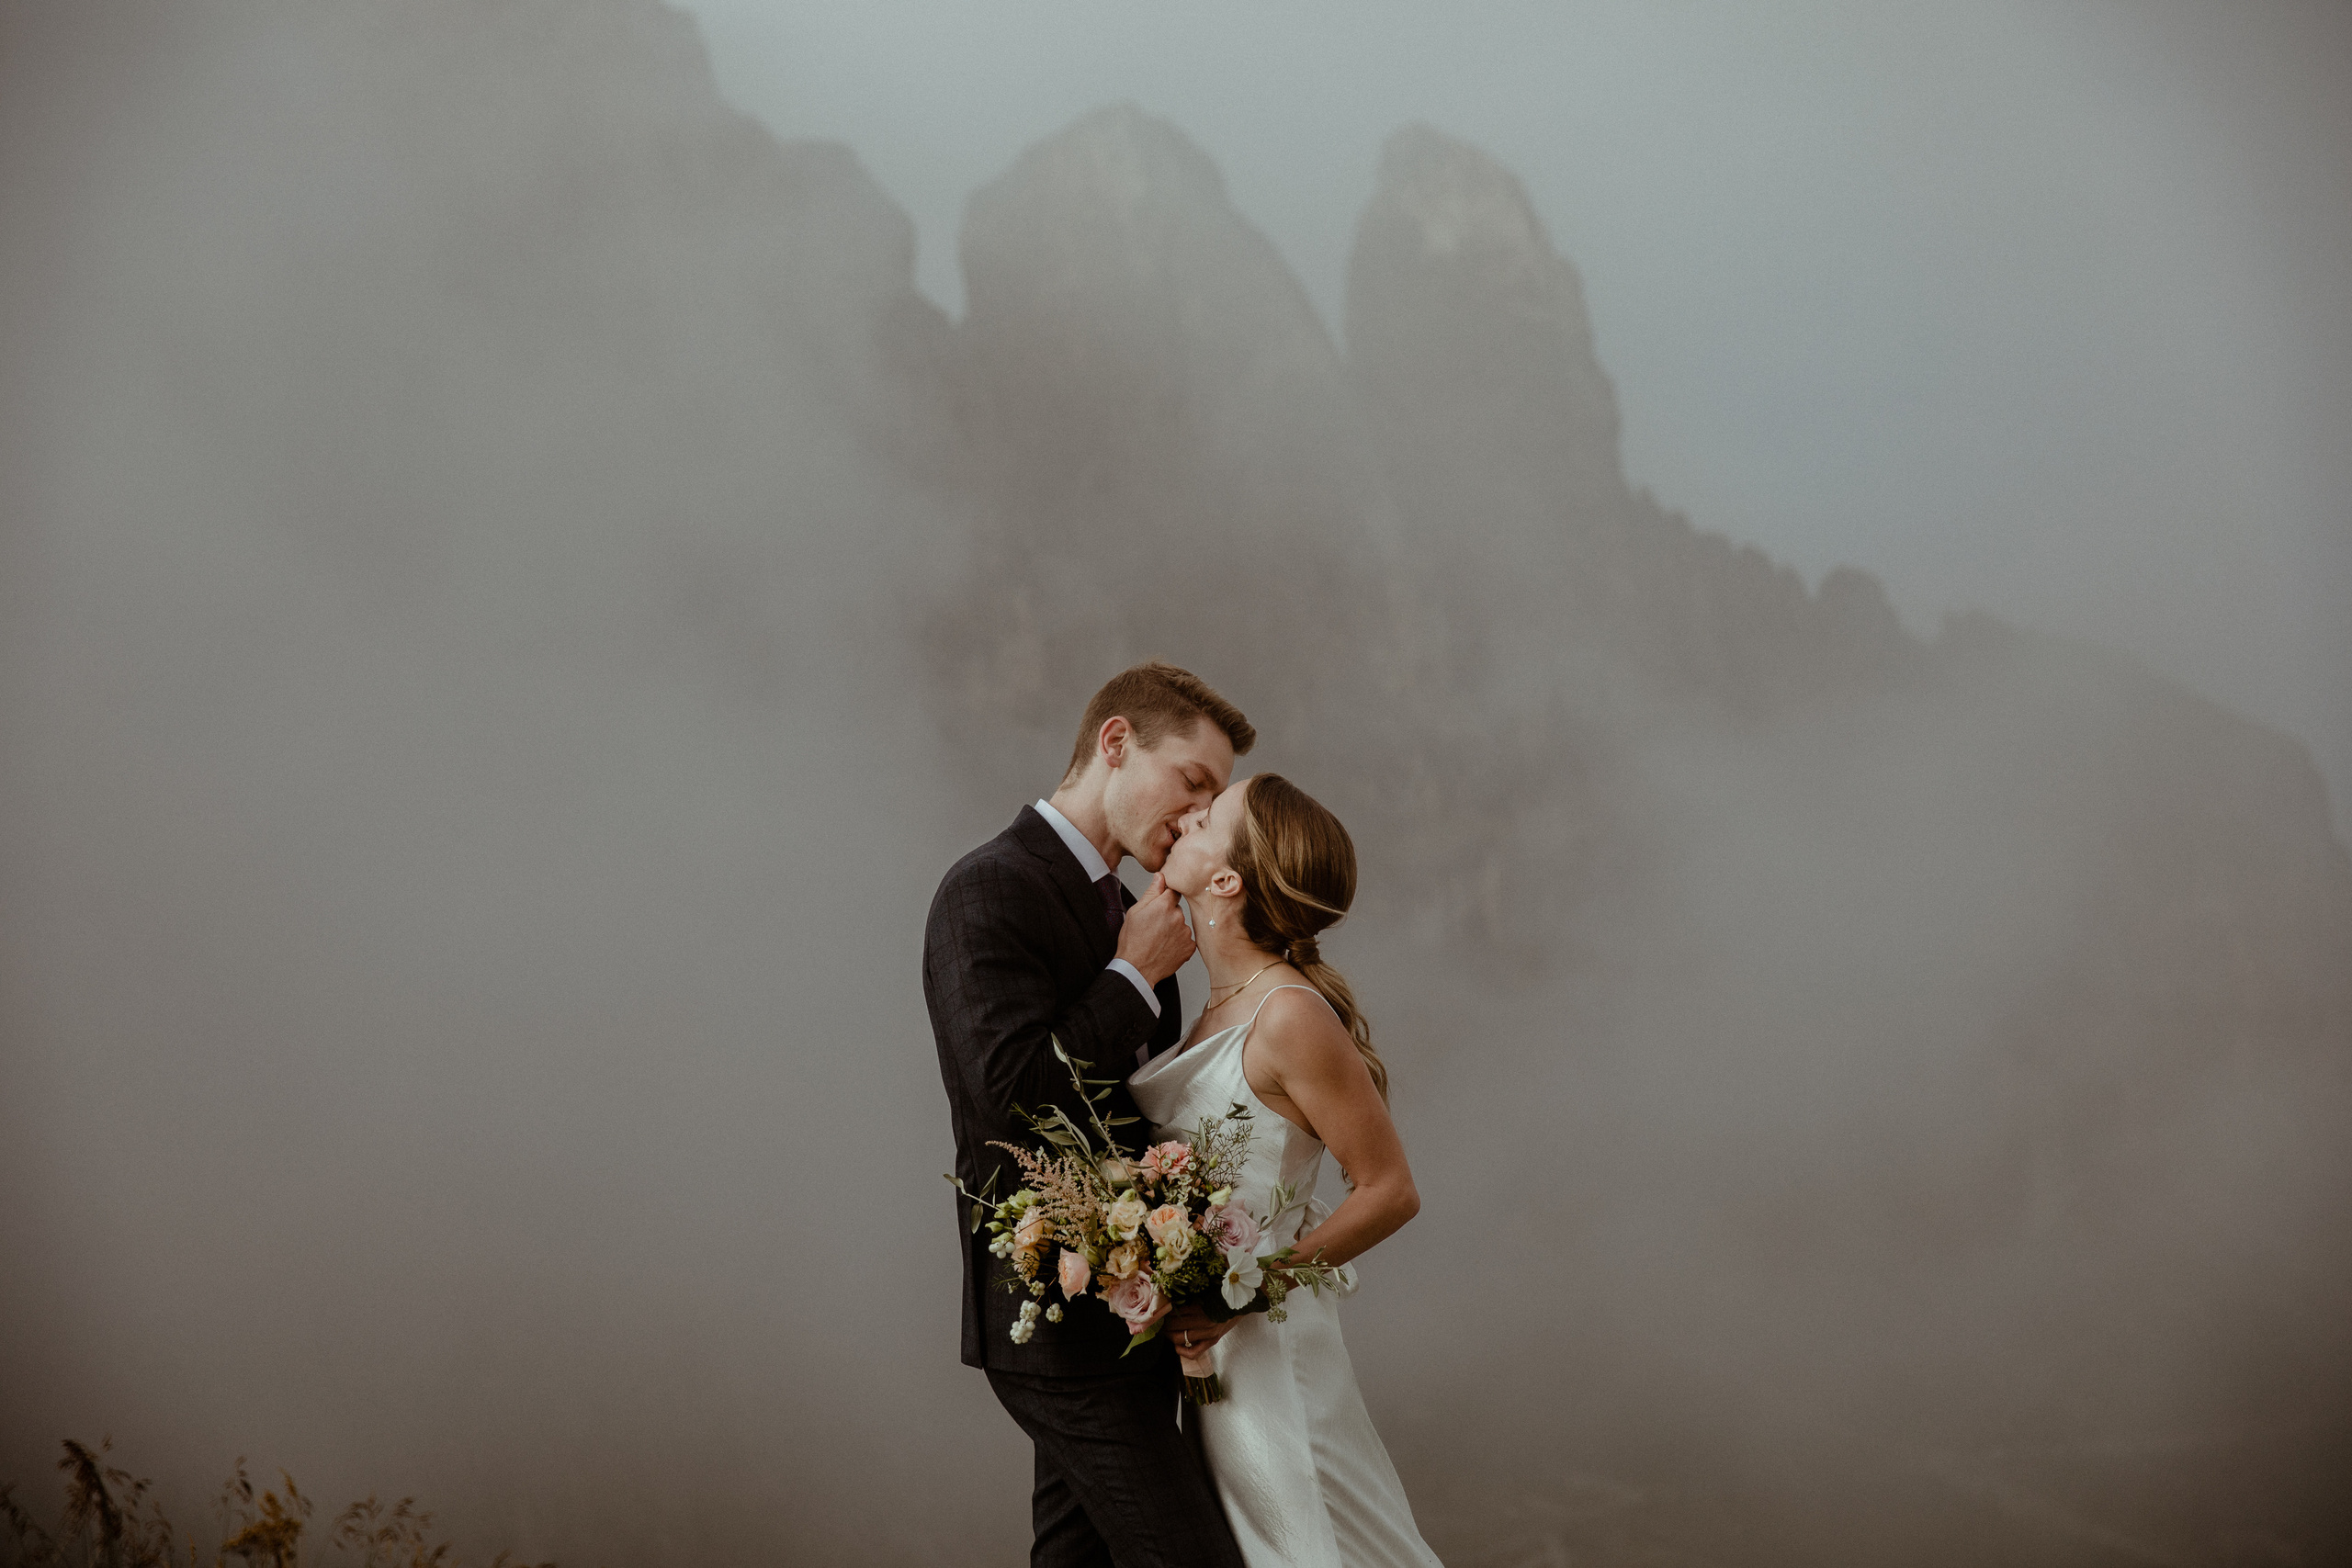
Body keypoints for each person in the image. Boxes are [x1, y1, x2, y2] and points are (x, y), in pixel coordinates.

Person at [923, 660, 1257, 1568]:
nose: (1197, 816)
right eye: (1191, 782)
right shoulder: (987, 888)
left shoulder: (1134, 910)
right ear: (1115, 742)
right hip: (1049, 1327)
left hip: (1133, 1317)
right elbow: (1010, 1096)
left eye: (1213, 800)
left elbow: (1140, 1115)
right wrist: (1132, 974)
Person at [1131, 772, 1442, 1568]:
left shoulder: (1290, 1016)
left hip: (1270, 1353)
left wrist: (1247, 1292)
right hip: (1214, 1355)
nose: (1185, 820)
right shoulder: (1206, 1004)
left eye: (1205, 819)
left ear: (1227, 878)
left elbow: (1390, 1190)